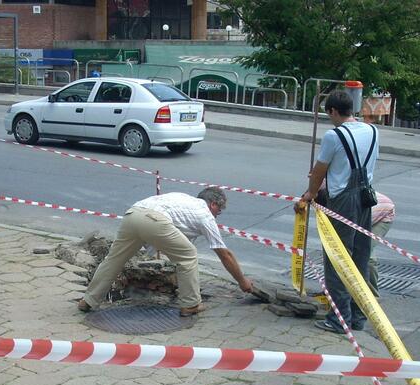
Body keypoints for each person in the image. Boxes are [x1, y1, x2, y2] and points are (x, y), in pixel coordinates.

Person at [78, 188, 253, 316]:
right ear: (213, 204)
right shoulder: (204, 214)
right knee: (189, 255)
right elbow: (224, 253)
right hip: (154, 220)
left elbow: (170, 242)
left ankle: (88, 300)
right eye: (219, 211)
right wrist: (242, 280)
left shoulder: (183, 200)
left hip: (133, 214)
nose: (217, 216)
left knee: (113, 260)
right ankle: (191, 304)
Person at [295, 90, 379, 334]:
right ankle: (357, 316)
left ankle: (339, 319)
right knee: (359, 258)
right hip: (366, 197)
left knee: (337, 258)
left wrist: (310, 193)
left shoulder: (334, 136)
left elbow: (319, 171)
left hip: (342, 199)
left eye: (328, 113)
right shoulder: (373, 130)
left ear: (333, 111)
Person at [369, 192, 395, 297]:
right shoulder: (323, 185)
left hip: (383, 214)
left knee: (365, 254)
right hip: (368, 212)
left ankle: (372, 296)